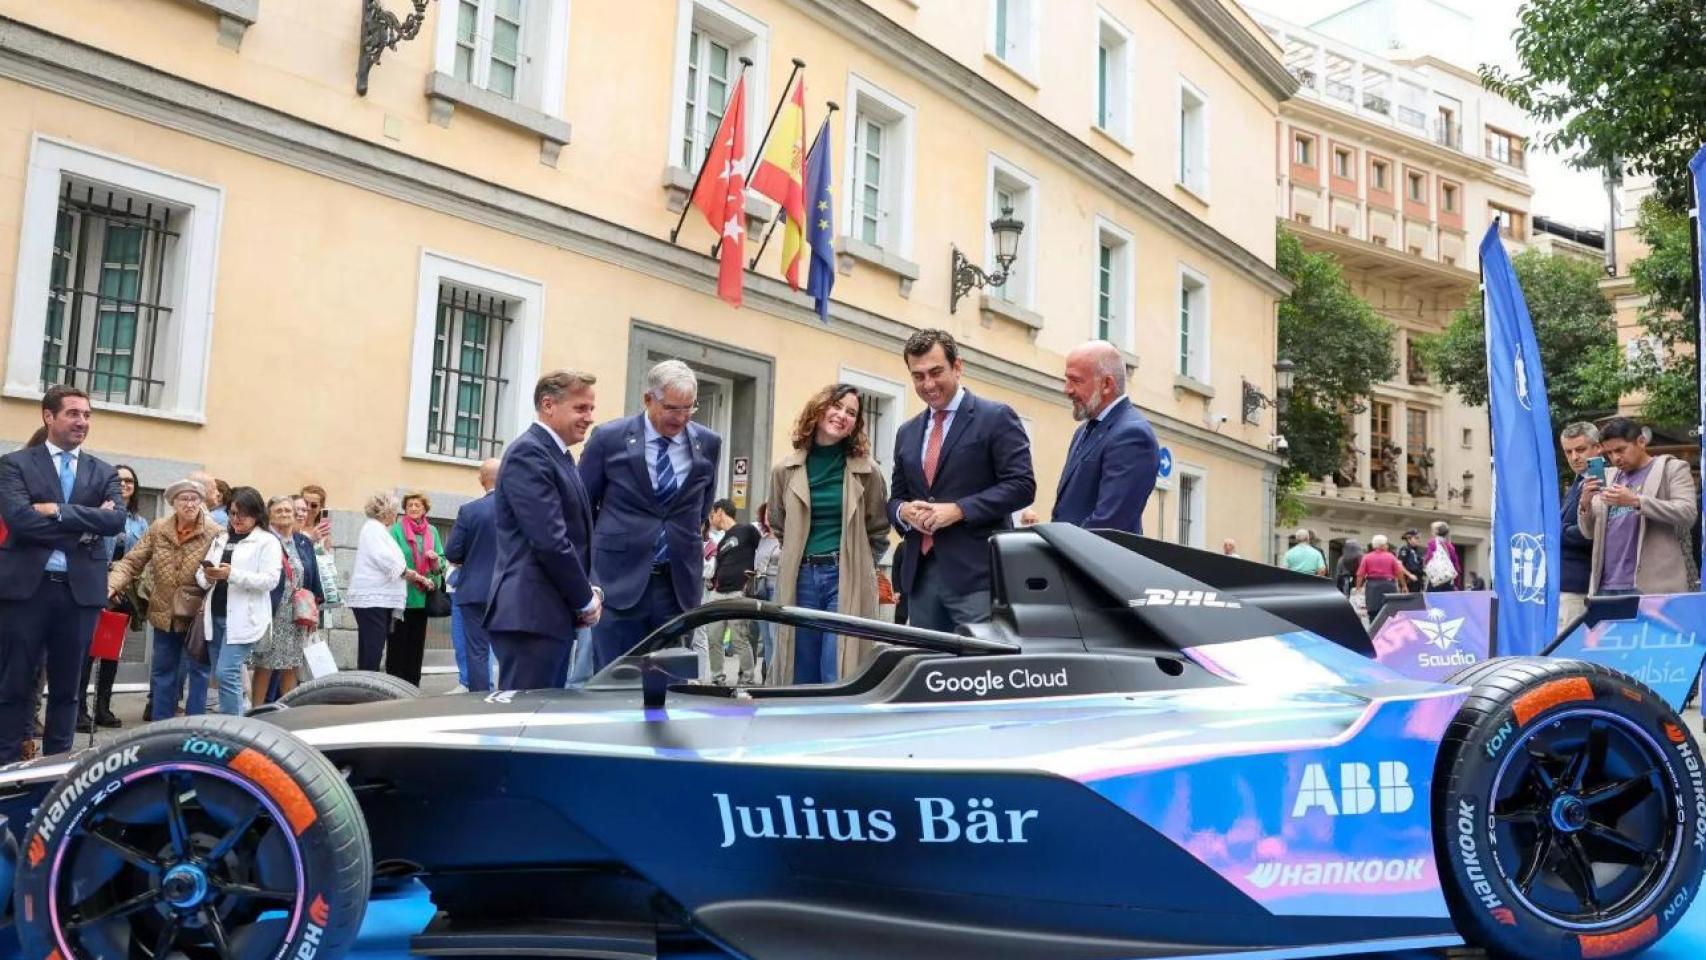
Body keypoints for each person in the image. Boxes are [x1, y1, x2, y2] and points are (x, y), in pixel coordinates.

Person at [0, 386, 125, 762]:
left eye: (86, 415)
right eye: (73, 413)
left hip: (78, 594)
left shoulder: (102, 471)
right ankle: (6, 768)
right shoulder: (15, 464)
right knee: (15, 684)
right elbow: (20, 521)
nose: (82, 422)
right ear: (48, 417)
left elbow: (116, 519)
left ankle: (57, 768)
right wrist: (87, 526)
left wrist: (56, 510)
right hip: (27, 591)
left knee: (68, 688)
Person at [887, 330, 1035, 631]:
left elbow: (1022, 485)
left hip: (977, 578)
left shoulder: (995, 417)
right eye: (918, 376)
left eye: (935, 372)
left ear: (958, 366)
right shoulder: (907, 432)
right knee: (929, 671)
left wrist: (958, 510)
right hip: (921, 578)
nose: (927, 384)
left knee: (980, 672)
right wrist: (903, 513)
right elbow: (895, 498)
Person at [581, 360, 721, 670]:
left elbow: (700, 508)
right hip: (618, 582)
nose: (681, 417)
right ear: (648, 399)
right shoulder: (609, 438)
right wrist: (590, 576)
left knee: (672, 685)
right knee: (614, 679)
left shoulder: (708, 443)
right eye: (672, 408)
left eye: (689, 408)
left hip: (677, 586)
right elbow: (581, 510)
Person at [769, 385, 893, 684]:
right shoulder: (785, 470)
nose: (842, 416)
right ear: (819, 409)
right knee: (800, 668)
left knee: (838, 666)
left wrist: (862, 567)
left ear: (856, 424)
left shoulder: (868, 471)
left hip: (845, 575)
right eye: (836, 407)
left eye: (851, 413)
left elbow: (878, 528)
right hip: (801, 577)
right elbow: (779, 524)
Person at [488, 371, 602, 689]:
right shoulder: (530, 452)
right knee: (523, 723)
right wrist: (584, 599)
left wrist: (589, 590)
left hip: (545, 615)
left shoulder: (558, 455)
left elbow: (575, 537)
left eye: (591, 409)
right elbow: (550, 540)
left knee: (535, 722)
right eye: (581, 408)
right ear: (548, 405)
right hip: (531, 616)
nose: (589, 418)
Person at [109, 478, 221, 720]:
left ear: (201, 503)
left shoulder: (214, 532)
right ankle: (161, 725)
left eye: (195, 499)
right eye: (184, 499)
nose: (189, 504)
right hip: (163, 612)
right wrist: (111, 585)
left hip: (198, 615)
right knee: (163, 673)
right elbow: (131, 562)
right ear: (173, 503)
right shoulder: (159, 528)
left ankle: (195, 728)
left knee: (199, 672)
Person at [1580, 417, 1699, 596]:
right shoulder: (1608, 477)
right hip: (1606, 584)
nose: (1616, 458)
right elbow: (1589, 533)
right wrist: (1585, 504)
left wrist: (1636, 501)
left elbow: (1688, 513)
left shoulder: (1672, 468)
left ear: (1641, 442)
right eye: (1609, 453)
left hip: (1653, 585)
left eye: (1621, 450)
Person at [1051, 340, 1157, 534]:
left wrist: (1060, 551)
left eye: (1075, 380)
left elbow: (1109, 523)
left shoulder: (1132, 436)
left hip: (1093, 561)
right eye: (1066, 380)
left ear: (1106, 384)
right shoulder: (1083, 431)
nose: (1067, 390)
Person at [195, 487, 281, 715]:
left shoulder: (267, 541)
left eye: (242, 514)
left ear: (256, 514)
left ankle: (236, 727)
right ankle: (232, 718)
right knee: (221, 675)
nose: (236, 519)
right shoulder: (221, 538)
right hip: (216, 614)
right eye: (232, 513)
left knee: (227, 672)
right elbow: (201, 572)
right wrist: (207, 575)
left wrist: (231, 574)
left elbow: (270, 580)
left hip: (246, 617)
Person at [77, 462, 147, 731]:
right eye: (119, 480)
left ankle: (103, 708)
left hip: (123, 594)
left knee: (111, 654)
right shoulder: (99, 512)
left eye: (130, 481)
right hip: (94, 588)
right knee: (86, 654)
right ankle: (79, 711)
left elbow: (139, 561)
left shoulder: (139, 522)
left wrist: (120, 586)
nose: (124, 485)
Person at [250, 494, 324, 706]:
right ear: (269, 515)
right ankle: (257, 709)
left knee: (292, 663)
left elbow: (313, 578)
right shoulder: (264, 540)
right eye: (279, 511)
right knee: (266, 663)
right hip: (272, 610)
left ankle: (286, 710)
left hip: (297, 613)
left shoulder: (302, 541)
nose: (284, 514)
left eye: (288, 511)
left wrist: (314, 612)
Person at [347, 492, 424, 672]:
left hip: (376, 598)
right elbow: (384, 558)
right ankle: (367, 688)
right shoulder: (373, 529)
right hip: (373, 599)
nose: (396, 515)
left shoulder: (377, 529)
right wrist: (407, 573)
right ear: (386, 512)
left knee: (371, 646)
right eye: (394, 511)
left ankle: (365, 685)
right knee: (373, 648)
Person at [445, 457, 501, 692]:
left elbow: (452, 552)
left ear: (481, 480)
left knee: (477, 651)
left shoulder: (470, 510)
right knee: (512, 650)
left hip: (475, 591)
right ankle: (514, 700)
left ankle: (481, 701)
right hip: (511, 591)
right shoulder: (523, 509)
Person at [388, 491, 447, 687]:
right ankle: (395, 685)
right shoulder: (396, 530)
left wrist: (436, 561)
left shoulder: (433, 532)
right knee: (397, 645)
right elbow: (392, 561)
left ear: (424, 509)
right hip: (401, 597)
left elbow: (441, 565)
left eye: (417, 505)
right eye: (410, 505)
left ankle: (413, 686)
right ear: (404, 509)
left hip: (422, 597)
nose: (413, 508)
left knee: (416, 646)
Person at [698, 498, 760, 684]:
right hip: (718, 593)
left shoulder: (747, 530)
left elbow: (763, 548)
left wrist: (756, 573)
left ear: (720, 512)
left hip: (737, 592)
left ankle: (747, 678)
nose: (711, 519)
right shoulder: (722, 540)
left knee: (739, 638)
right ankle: (717, 678)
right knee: (713, 637)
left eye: (712, 514)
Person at [1557, 422, 1600, 625]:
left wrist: (1554, 531)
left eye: (1580, 449)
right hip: (1568, 583)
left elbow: (1592, 531)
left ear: (1597, 447)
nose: (1574, 457)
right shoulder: (1578, 481)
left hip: (1581, 583)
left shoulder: (1600, 478)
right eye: (1568, 451)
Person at [751, 502, 781, 673]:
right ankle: (768, 675)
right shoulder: (762, 539)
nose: (768, 516)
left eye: (773, 512)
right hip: (761, 588)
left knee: (773, 634)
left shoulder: (785, 537)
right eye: (766, 513)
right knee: (766, 637)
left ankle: (775, 675)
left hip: (776, 588)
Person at [1354, 534, 1411, 615]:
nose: (1387, 546)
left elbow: (1360, 574)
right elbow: (1399, 572)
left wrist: (1358, 587)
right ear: (1382, 545)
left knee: (1373, 612)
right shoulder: (1391, 557)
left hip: (1372, 587)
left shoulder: (1367, 557)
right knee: (1390, 612)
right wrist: (1404, 586)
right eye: (1386, 544)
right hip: (1389, 586)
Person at [1422, 521, 1462, 591]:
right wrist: (1456, 583)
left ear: (1436, 531)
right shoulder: (1450, 546)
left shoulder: (1432, 542)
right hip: (1448, 578)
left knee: (1432, 600)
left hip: (1437, 578)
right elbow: (1456, 564)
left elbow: (1428, 558)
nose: (1431, 532)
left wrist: (1424, 565)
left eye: (1432, 529)